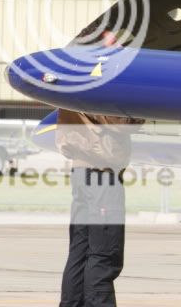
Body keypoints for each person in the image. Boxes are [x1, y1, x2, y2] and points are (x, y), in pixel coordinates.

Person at [57, 109, 143, 307]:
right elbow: (120, 119)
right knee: (104, 254)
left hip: (81, 171)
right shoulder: (97, 86)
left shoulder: (72, 85)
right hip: (101, 174)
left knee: (80, 251)